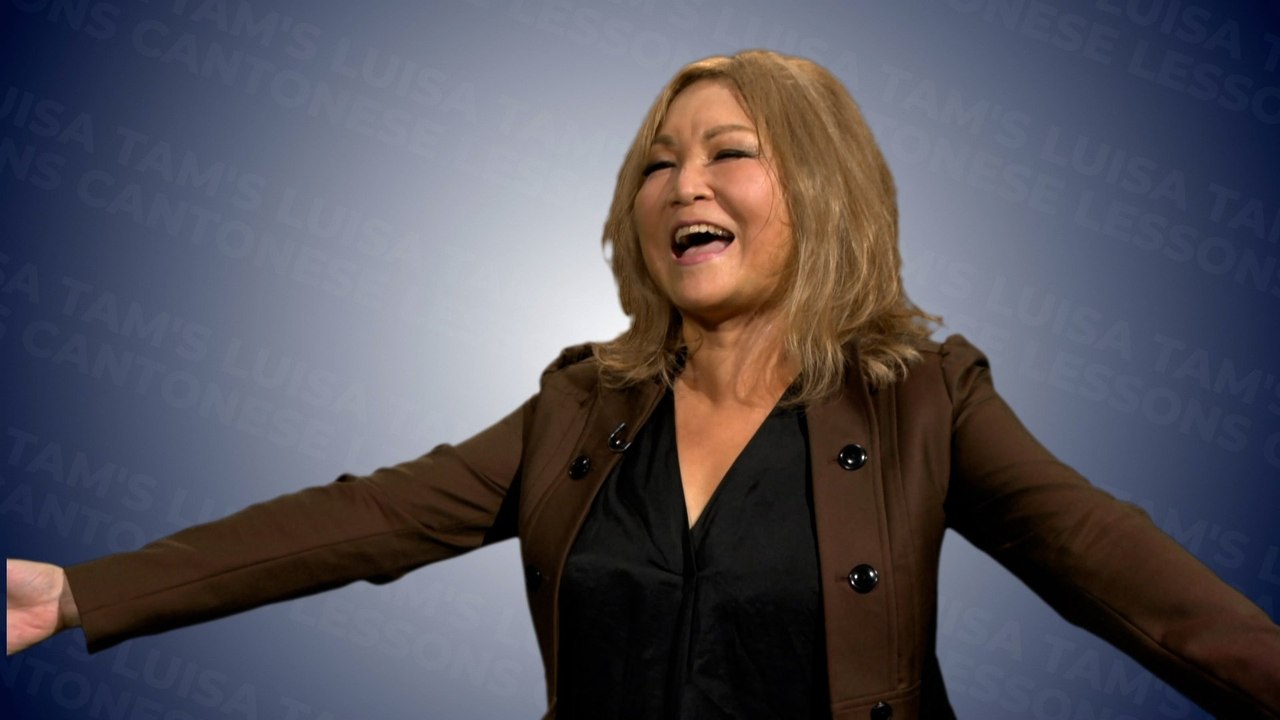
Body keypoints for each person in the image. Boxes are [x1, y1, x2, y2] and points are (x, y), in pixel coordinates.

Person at [6, 50, 1280, 720]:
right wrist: (76, 593)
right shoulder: (582, 403)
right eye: (658, 163)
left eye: (731, 152)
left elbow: (1117, 570)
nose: (683, 184)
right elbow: (361, 520)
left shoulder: (922, 398)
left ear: (822, 193)